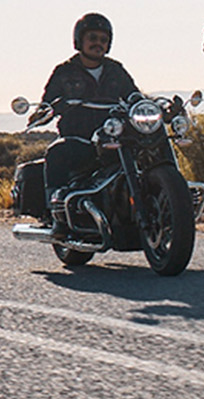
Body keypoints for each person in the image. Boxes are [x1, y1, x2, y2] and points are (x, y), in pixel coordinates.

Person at [40, 12, 139, 234]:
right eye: (93, 38)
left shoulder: (116, 70)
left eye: (103, 40)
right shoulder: (64, 72)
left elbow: (134, 95)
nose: (98, 43)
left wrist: (148, 107)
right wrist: (49, 109)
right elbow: (46, 103)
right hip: (80, 140)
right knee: (57, 152)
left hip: (112, 138)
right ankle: (55, 214)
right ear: (80, 41)